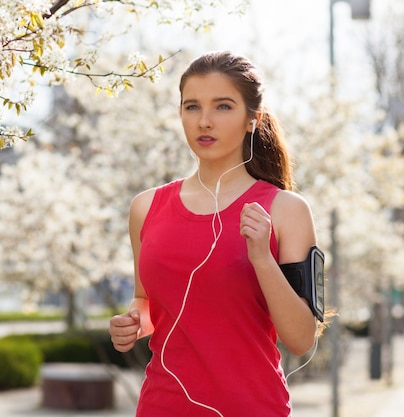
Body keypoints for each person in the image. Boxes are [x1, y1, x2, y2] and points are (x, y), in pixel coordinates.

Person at [108, 50, 319, 417]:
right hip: (162, 406)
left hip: (253, 408)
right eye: (192, 107)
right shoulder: (145, 208)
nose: (204, 121)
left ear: (252, 119)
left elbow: (301, 339)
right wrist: (132, 324)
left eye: (223, 107)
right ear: (180, 115)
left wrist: (262, 260)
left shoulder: (286, 210)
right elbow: (146, 303)